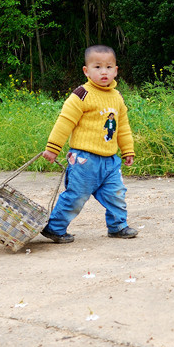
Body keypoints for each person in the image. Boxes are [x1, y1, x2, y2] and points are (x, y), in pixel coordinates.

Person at [40, 44, 137, 242]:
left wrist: (127, 150)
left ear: (116, 71)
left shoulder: (117, 97)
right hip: (84, 160)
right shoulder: (81, 95)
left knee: (116, 194)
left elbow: (123, 127)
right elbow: (65, 121)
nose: (104, 72)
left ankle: (118, 226)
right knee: (76, 196)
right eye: (97, 67)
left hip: (110, 161)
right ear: (86, 71)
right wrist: (53, 148)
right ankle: (55, 228)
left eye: (109, 67)